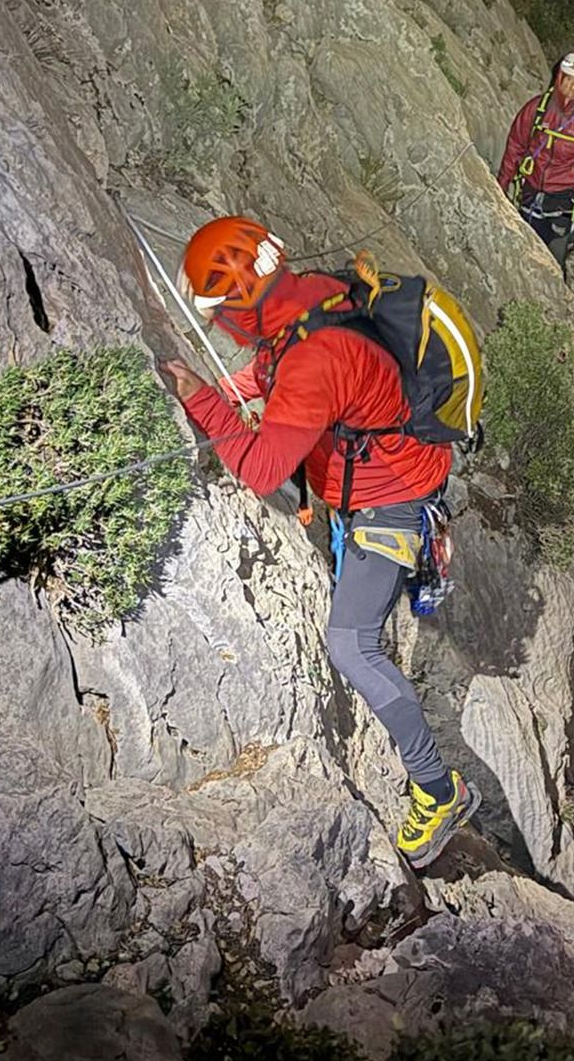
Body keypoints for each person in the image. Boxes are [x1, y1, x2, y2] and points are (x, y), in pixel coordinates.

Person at [161, 216, 479, 870]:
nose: (220, 324)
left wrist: (204, 402)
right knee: (357, 623)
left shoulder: (314, 360)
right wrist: (231, 390)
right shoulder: (306, 297)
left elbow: (260, 469)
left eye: (221, 312)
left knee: (352, 645)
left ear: (241, 305)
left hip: (390, 499)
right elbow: (273, 369)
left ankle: (439, 790)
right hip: (386, 474)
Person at [498, 45, 574, 274]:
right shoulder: (536, 109)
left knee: (552, 266)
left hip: (562, 204)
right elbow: (515, 147)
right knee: (518, 260)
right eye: (569, 79)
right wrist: (501, 186)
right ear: (559, 78)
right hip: (529, 195)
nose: (572, 87)